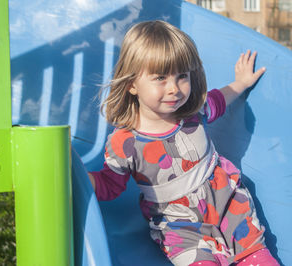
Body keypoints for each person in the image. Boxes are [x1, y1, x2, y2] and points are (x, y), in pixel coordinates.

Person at [88, 20, 279, 266]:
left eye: (182, 76)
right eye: (160, 78)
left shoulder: (194, 112)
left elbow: (220, 99)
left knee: (258, 258)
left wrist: (241, 83)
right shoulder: (124, 142)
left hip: (228, 206)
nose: (174, 89)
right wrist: (75, 174)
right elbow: (109, 184)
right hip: (179, 225)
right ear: (132, 84)